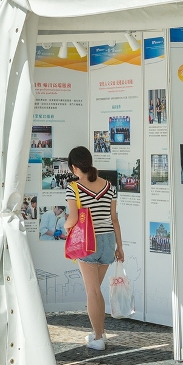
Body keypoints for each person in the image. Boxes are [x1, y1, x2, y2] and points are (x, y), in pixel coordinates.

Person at [63, 145, 124, 351]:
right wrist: (120, 247)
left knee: (92, 292)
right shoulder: (109, 186)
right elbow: (114, 219)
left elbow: (72, 219)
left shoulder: (74, 188)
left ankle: (98, 338)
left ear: (74, 167)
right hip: (108, 241)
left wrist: (64, 226)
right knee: (96, 291)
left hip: (87, 242)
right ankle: (100, 331)